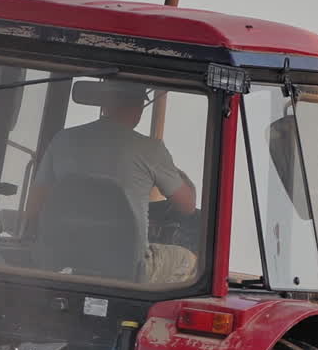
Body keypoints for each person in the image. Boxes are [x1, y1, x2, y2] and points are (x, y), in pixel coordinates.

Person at [25, 82, 198, 283]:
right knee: (189, 260)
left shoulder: (62, 139)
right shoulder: (151, 149)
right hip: (128, 265)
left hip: (60, 257)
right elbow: (187, 206)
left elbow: (33, 209)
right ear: (138, 109)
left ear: (105, 104)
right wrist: (174, 172)